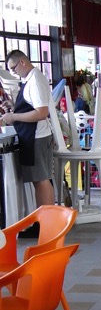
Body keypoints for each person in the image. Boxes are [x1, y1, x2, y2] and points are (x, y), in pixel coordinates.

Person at [0, 50, 54, 206]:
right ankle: (47, 218)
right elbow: (32, 106)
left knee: (40, 181)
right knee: (42, 179)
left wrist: (14, 117)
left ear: (22, 62)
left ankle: (46, 219)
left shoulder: (35, 80)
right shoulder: (30, 79)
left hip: (36, 137)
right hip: (38, 135)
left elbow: (41, 113)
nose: (13, 73)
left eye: (13, 68)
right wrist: (14, 107)